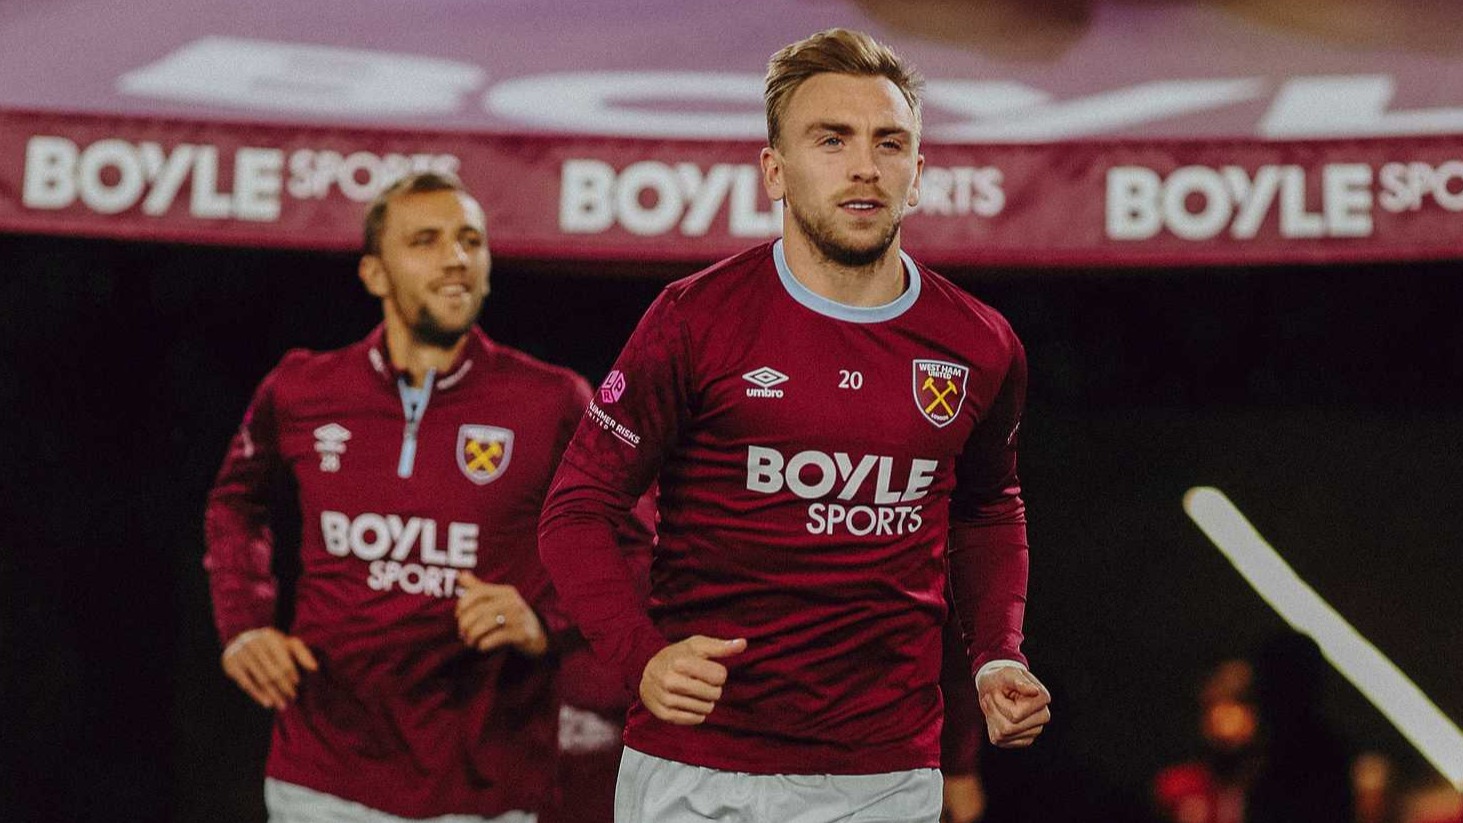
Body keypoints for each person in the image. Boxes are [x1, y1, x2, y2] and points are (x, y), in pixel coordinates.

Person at [538, 28, 1051, 823]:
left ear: (917, 175)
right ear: (774, 170)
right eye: (831, 139)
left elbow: (988, 510)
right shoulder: (693, 319)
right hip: (699, 762)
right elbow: (577, 508)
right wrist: (639, 658)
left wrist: (994, 655)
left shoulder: (979, 343)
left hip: (883, 772)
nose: (863, 166)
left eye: (890, 143)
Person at [205, 172, 593, 822]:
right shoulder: (302, 387)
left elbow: (632, 541)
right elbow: (235, 505)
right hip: (322, 774)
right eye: (426, 240)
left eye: (470, 240)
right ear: (374, 273)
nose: (455, 257)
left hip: (483, 787)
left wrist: (545, 616)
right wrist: (244, 625)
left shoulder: (551, 400)